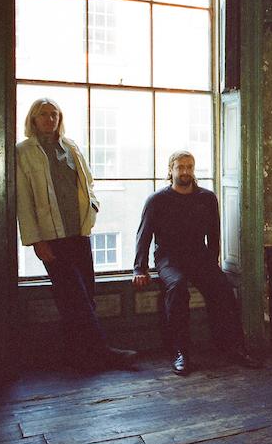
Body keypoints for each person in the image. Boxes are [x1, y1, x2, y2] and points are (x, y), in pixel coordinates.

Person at [16, 98, 137, 371]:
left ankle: (77, 356)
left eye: (54, 114)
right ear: (33, 119)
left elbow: (87, 182)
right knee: (74, 297)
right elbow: (23, 200)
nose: (49, 119)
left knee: (85, 296)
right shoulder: (23, 152)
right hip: (51, 237)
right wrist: (36, 241)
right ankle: (104, 353)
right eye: (43, 114)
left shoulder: (71, 147)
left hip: (79, 233)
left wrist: (93, 206)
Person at [133, 151, 258, 376]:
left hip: (199, 256)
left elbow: (214, 234)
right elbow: (144, 235)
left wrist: (213, 262)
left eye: (189, 167)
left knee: (222, 286)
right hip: (169, 258)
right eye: (180, 167)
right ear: (171, 170)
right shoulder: (157, 200)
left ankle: (234, 347)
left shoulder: (206, 198)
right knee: (177, 287)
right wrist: (139, 268)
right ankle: (180, 352)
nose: (185, 171)